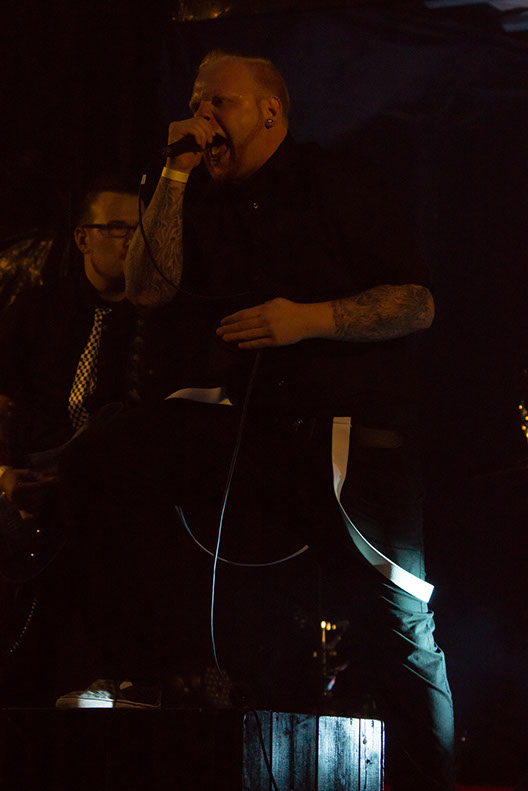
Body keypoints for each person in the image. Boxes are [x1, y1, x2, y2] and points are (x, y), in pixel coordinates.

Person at [57, 52, 455, 791]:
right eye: (195, 102)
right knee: (100, 459)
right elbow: (145, 289)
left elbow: (415, 303)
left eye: (221, 102)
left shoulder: (336, 180)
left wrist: (306, 319)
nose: (203, 116)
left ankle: (430, 778)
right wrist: (173, 173)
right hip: (248, 426)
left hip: (349, 429)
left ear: (270, 112)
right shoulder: (194, 194)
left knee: (396, 625)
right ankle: (143, 669)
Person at [0, 180, 139, 514]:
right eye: (117, 228)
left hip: (117, 490)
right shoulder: (37, 308)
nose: (133, 240)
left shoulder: (156, 319)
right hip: (37, 479)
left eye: (140, 229)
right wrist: (4, 474)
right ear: (82, 239)